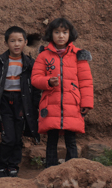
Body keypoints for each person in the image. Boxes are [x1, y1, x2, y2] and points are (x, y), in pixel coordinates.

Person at [31, 17, 93, 166]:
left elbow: (85, 82)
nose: (60, 36)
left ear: (70, 34)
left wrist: (86, 103)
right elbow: (35, 78)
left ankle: (73, 169)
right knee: (51, 140)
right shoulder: (44, 55)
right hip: (51, 105)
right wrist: (48, 81)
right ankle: (50, 169)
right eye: (57, 32)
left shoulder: (78, 55)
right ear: (50, 34)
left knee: (71, 139)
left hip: (72, 105)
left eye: (64, 32)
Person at [0, 26, 40, 178]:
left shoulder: (30, 64)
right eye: (12, 41)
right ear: (6, 43)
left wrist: (35, 105)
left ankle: (13, 165)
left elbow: (35, 86)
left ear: (26, 42)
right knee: (8, 137)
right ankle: (1, 166)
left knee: (17, 136)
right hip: (4, 102)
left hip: (22, 103)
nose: (16, 44)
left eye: (20, 41)